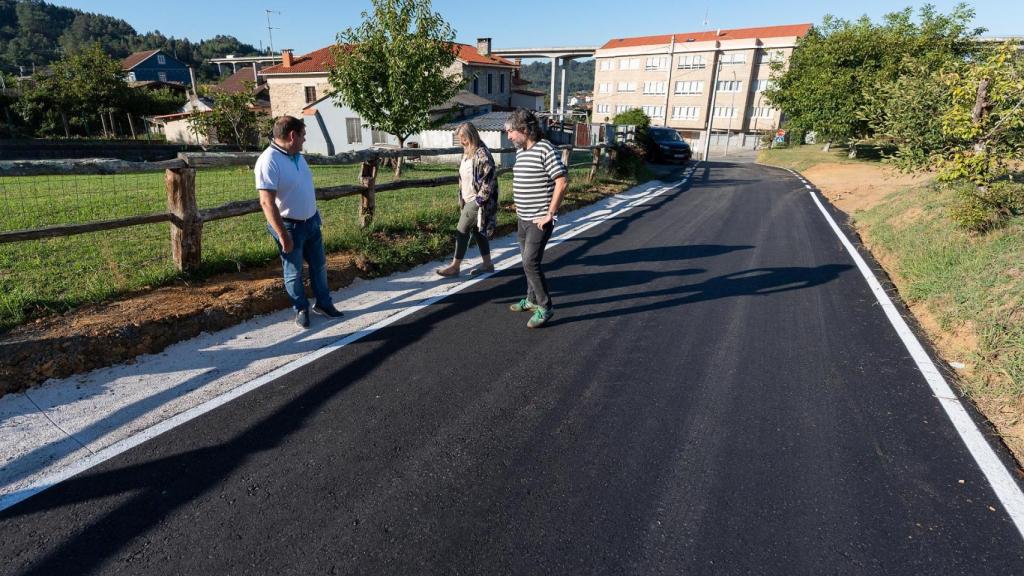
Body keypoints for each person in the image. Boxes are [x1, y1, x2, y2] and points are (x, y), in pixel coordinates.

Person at [255, 115, 343, 328]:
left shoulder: (297, 156)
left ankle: (323, 304)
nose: (305, 140)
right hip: (289, 226)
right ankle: (301, 308)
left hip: (311, 221)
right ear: (292, 135)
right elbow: (267, 203)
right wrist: (283, 235)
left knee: (319, 266)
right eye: (303, 135)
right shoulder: (268, 161)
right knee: (294, 272)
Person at [504, 108, 567, 329]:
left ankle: (545, 306)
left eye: (510, 131)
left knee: (530, 262)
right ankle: (530, 300)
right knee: (525, 262)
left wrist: (550, 214)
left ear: (524, 129)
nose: (509, 136)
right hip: (523, 218)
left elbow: (562, 181)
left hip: (540, 220)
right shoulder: (522, 152)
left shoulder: (545, 149)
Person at [435, 122, 499, 278]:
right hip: (467, 199)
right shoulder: (467, 153)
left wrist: (479, 200)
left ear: (469, 136)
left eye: (462, 138)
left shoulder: (481, 153)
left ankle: (455, 267)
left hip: (477, 201)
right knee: (478, 232)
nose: (460, 141)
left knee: (461, 230)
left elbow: (489, 179)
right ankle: (487, 264)